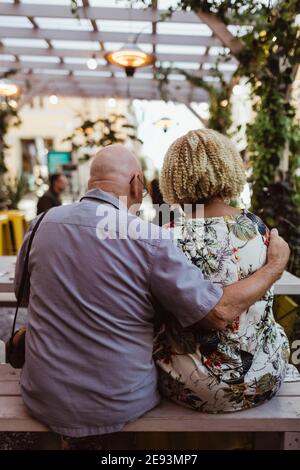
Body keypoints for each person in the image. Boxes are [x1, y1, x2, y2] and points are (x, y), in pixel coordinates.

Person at [15, 143, 289, 438]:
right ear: (135, 183)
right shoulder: (149, 238)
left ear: (90, 181)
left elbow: (25, 295)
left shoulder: (40, 224)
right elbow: (218, 312)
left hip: (41, 396)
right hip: (122, 402)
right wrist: (275, 265)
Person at [155, 128, 297, 413]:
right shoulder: (256, 228)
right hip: (263, 380)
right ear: (227, 166)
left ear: (172, 177)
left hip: (192, 387)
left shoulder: (166, 238)